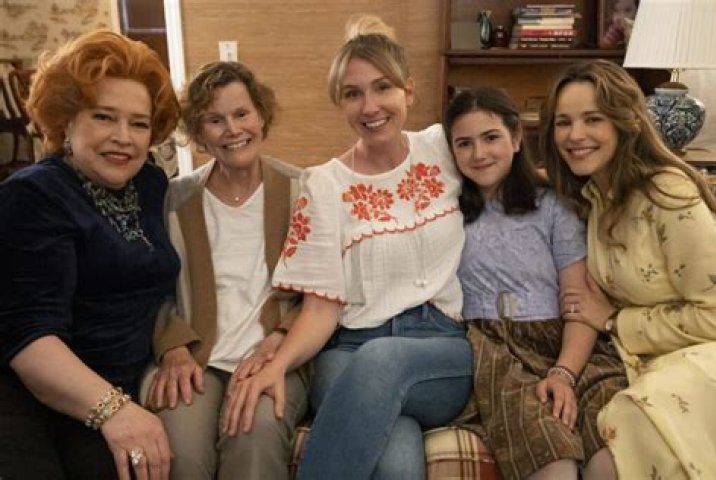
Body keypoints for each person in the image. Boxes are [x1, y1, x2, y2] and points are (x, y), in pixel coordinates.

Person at [220, 15, 474, 479]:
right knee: (397, 459)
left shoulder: (442, 147)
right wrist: (279, 363)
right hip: (349, 350)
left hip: (437, 347)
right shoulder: (324, 185)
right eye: (353, 93)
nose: (369, 106)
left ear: (408, 91)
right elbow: (321, 308)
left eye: (383, 88)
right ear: (340, 103)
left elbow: (505, 169)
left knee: (383, 361)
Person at [0, 30, 181, 480]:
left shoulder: (149, 184)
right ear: (67, 120)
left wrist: (175, 345)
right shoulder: (34, 194)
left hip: (112, 387)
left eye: (139, 123)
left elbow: (159, 288)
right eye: (104, 117)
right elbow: (28, 336)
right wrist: (116, 410)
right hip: (31, 397)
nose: (123, 138)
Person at [539, 59, 716, 479]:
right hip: (641, 361)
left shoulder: (667, 194)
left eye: (593, 119)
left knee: (617, 444)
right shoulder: (594, 194)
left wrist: (614, 320)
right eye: (563, 122)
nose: (575, 135)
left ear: (626, 122)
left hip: (703, 358)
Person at [443, 86, 627, 480]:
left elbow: (578, 299)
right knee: (553, 460)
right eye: (464, 143)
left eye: (490, 137)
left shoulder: (553, 205)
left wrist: (564, 372)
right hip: (495, 350)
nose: (479, 153)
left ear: (515, 138)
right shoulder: (445, 210)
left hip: (566, 343)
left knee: (608, 457)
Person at [142, 61, 308, 480]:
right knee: (181, 453)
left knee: (255, 435)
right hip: (196, 358)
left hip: (275, 355)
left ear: (261, 116)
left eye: (242, 113)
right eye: (215, 120)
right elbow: (152, 285)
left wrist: (281, 337)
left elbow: (323, 291)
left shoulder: (302, 190)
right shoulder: (173, 200)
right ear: (198, 134)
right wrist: (173, 347)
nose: (233, 129)